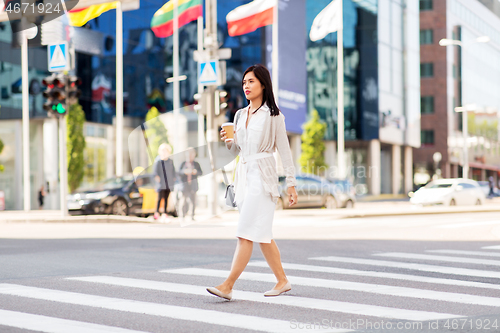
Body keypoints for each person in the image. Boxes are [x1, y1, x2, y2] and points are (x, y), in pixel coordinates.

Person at [207, 64, 298, 301]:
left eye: (251, 82)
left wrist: (291, 183)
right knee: (262, 234)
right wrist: (229, 140)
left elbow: (285, 152)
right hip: (244, 177)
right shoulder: (239, 115)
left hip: (263, 176)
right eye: (244, 82)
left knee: (245, 232)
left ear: (263, 84)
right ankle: (282, 281)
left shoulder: (274, 116)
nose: (246, 86)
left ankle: (228, 285)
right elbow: (237, 149)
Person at [178, 147, 203, 221]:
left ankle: (192, 216)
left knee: (193, 201)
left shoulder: (196, 164)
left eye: (192, 154)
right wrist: (184, 172)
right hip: (184, 185)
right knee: (183, 200)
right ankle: (182, 215)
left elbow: (200, 172)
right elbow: (178, 173)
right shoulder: (183, 163)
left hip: (193, 185)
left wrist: (195, 172)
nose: (190, 156)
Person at [154, 143, 177, 222]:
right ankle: (156, 213)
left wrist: (174, 179)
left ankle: (165, 213)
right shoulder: (158, 161)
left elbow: (173, 171)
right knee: (160, 198)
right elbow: (155, 172)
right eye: (163, 151)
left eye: (166, 151)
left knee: (167, 199)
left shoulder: (170, 161)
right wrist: (157, 178)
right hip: (161, 184)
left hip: (169, 183)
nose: (164, 152)